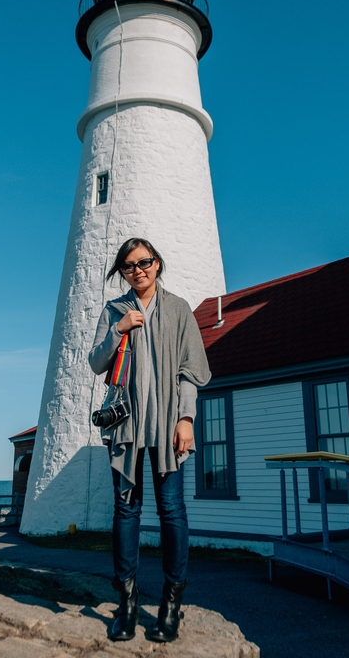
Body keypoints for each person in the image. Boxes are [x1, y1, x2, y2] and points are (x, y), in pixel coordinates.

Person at [89, 237, 211, 643]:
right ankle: (125, 605)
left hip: (167, 425)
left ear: (157, 264)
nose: (137, 270)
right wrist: (118, 330)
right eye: (128, 265)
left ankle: (171, 605)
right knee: (126, 513)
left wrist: (186, 419)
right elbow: (96, 362)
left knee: (172, 511)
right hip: (126, 426)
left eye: (144, 262)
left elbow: (190, 371)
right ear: (122, 271)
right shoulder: (115, 309)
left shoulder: (178, 310)